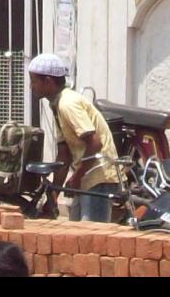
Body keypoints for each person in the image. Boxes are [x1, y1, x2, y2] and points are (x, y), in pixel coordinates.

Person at [25, 54, 118, 223]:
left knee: (92, 240)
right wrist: (54, 194)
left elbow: (95, 143)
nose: (31, 86)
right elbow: (64, 155)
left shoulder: (68, 104)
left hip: (98, 177)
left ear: (47, 81)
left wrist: (77, 176)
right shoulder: (57, 105)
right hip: (85, 177)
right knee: (76, 237)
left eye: (34, 81)